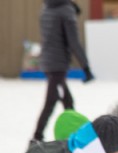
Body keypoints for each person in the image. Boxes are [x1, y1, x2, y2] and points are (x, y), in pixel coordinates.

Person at [34, 0, 93, 142]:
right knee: (51, 101)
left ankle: (74, 133)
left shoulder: (47, 7)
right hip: (58, 64)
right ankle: (37, 137)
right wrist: (86, 67)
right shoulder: (66, 10)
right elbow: (74, 42)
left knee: (67, 101)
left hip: (48, 60)